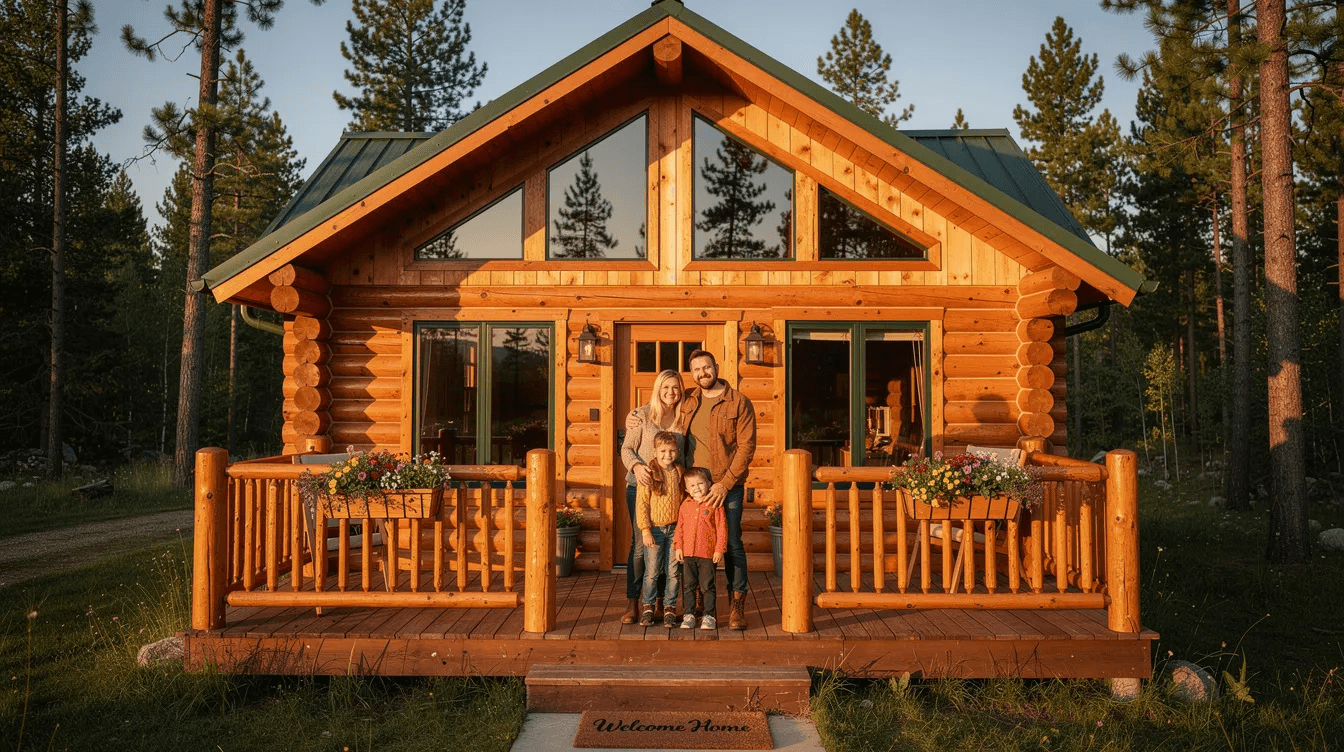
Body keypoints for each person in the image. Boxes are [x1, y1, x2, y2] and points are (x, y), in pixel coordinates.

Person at [628, 349, 755, 630]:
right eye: (696, 370)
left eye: (706, 367)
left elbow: (746, 448)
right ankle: (696, 601)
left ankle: (736, 605)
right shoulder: (689, 400)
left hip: (726, 486)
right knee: (693, 544)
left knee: (732, 544)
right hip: (692, 486)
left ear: (716, 367)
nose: (702, 373)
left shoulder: (739, 402)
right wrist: (633, 416)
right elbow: (661, 402)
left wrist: (724, 484)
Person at [619, 370, 684, 624]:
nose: (671, 392)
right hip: (641, 487)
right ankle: (633, 602)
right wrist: (636, 466)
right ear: (657, 389)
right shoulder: (642, 415)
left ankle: (660, 603)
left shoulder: (683, 416)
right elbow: (626, 449)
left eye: (676, 387)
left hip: (671, 491)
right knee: (640, 545)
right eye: (665, 387)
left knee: (667, 547)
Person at [635, 431, 684, 628]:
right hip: (654, 530)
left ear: (677, 451)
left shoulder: (679, 472)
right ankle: (648, 606)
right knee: (652, 571)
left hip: (674, 529)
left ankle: (669, 607)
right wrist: (645, 529)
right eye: (663, 451)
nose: (667, 455)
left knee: (673, 571)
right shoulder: (649, 473)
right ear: (655, 452)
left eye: (671, 451)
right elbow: (642, 504)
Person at [674, 467, 726, 630]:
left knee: (707, 585)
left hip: (707, 554)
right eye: (692, 485)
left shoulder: (715, 504)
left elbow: (721, 528)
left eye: (700, 483)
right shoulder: (685, 505)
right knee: (688, 585)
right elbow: (679, 527)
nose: (697, 488)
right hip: (688, 553)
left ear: (709, 484)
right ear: (686, 489)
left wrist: (719, 549)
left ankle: (709, 616)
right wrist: (678, 546)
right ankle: (688, 615)